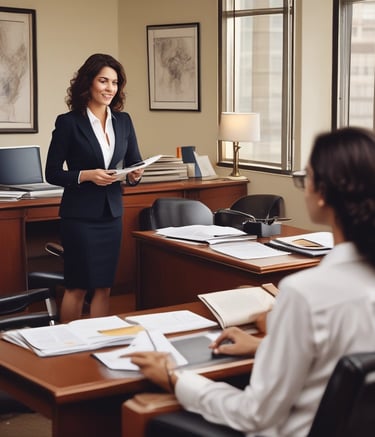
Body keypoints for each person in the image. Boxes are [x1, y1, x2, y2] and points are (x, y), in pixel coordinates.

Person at [129, 126, 375, 436]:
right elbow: (344, 355)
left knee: (145, 411)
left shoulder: (306, 293)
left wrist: (174, 377)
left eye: (306, 177)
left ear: (323, 193)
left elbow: (254, 415)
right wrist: (266, 347)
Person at [46, 53, 144, 323]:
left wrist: (135, 174)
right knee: (78, 285)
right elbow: (52, 173)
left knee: (103, 286)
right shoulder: (68, 123)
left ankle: (96, 345)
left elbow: (134, 162)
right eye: (103, 81)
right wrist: (87, 175)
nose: (109, 88)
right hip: (79, 217)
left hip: (111, 215)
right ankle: (67, 348)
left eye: (114, 82)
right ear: (88, 83)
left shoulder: (123, 121)